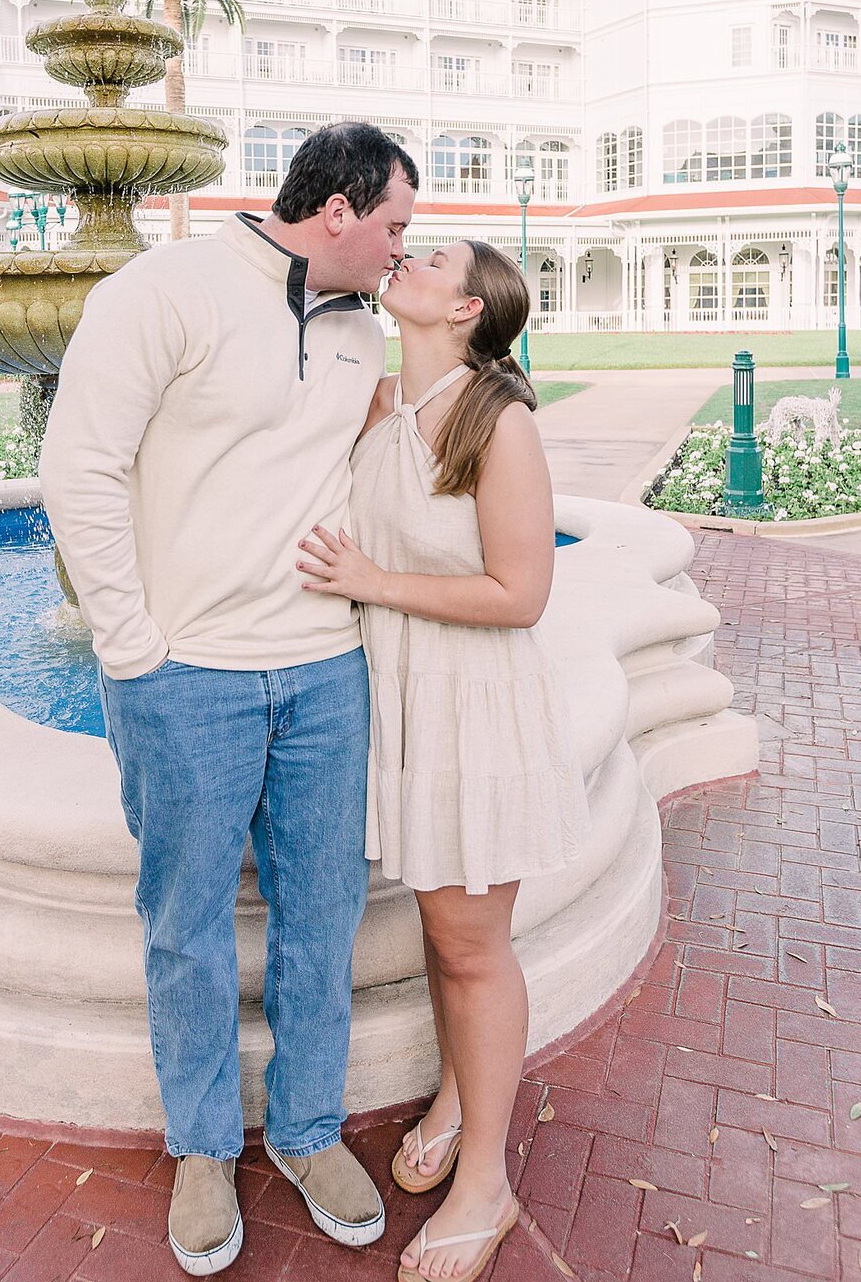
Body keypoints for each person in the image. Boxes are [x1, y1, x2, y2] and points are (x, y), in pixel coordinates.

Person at [40, 123, 417, 1276]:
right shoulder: (167, 289)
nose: (406, 250)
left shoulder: (365, 326)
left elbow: (404, 448)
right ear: (340, 209)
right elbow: (80, 465)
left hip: (324, 671)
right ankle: (205, 1148)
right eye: (396, 226)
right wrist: (135, 646)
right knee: (188, 926)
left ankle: (306, 1132)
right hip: (184, 678)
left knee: (321, 916)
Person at [297, 240, 590, 1282]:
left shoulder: (496, 421)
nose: (404, 256)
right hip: (406, 703)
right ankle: (459, 1100)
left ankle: (486, 1186)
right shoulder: (380, 404)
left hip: (475, 708)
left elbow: (523, 594)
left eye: (428, 257)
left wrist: (372, 580)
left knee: (473, 945)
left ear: (465, 306)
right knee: (441, 922)